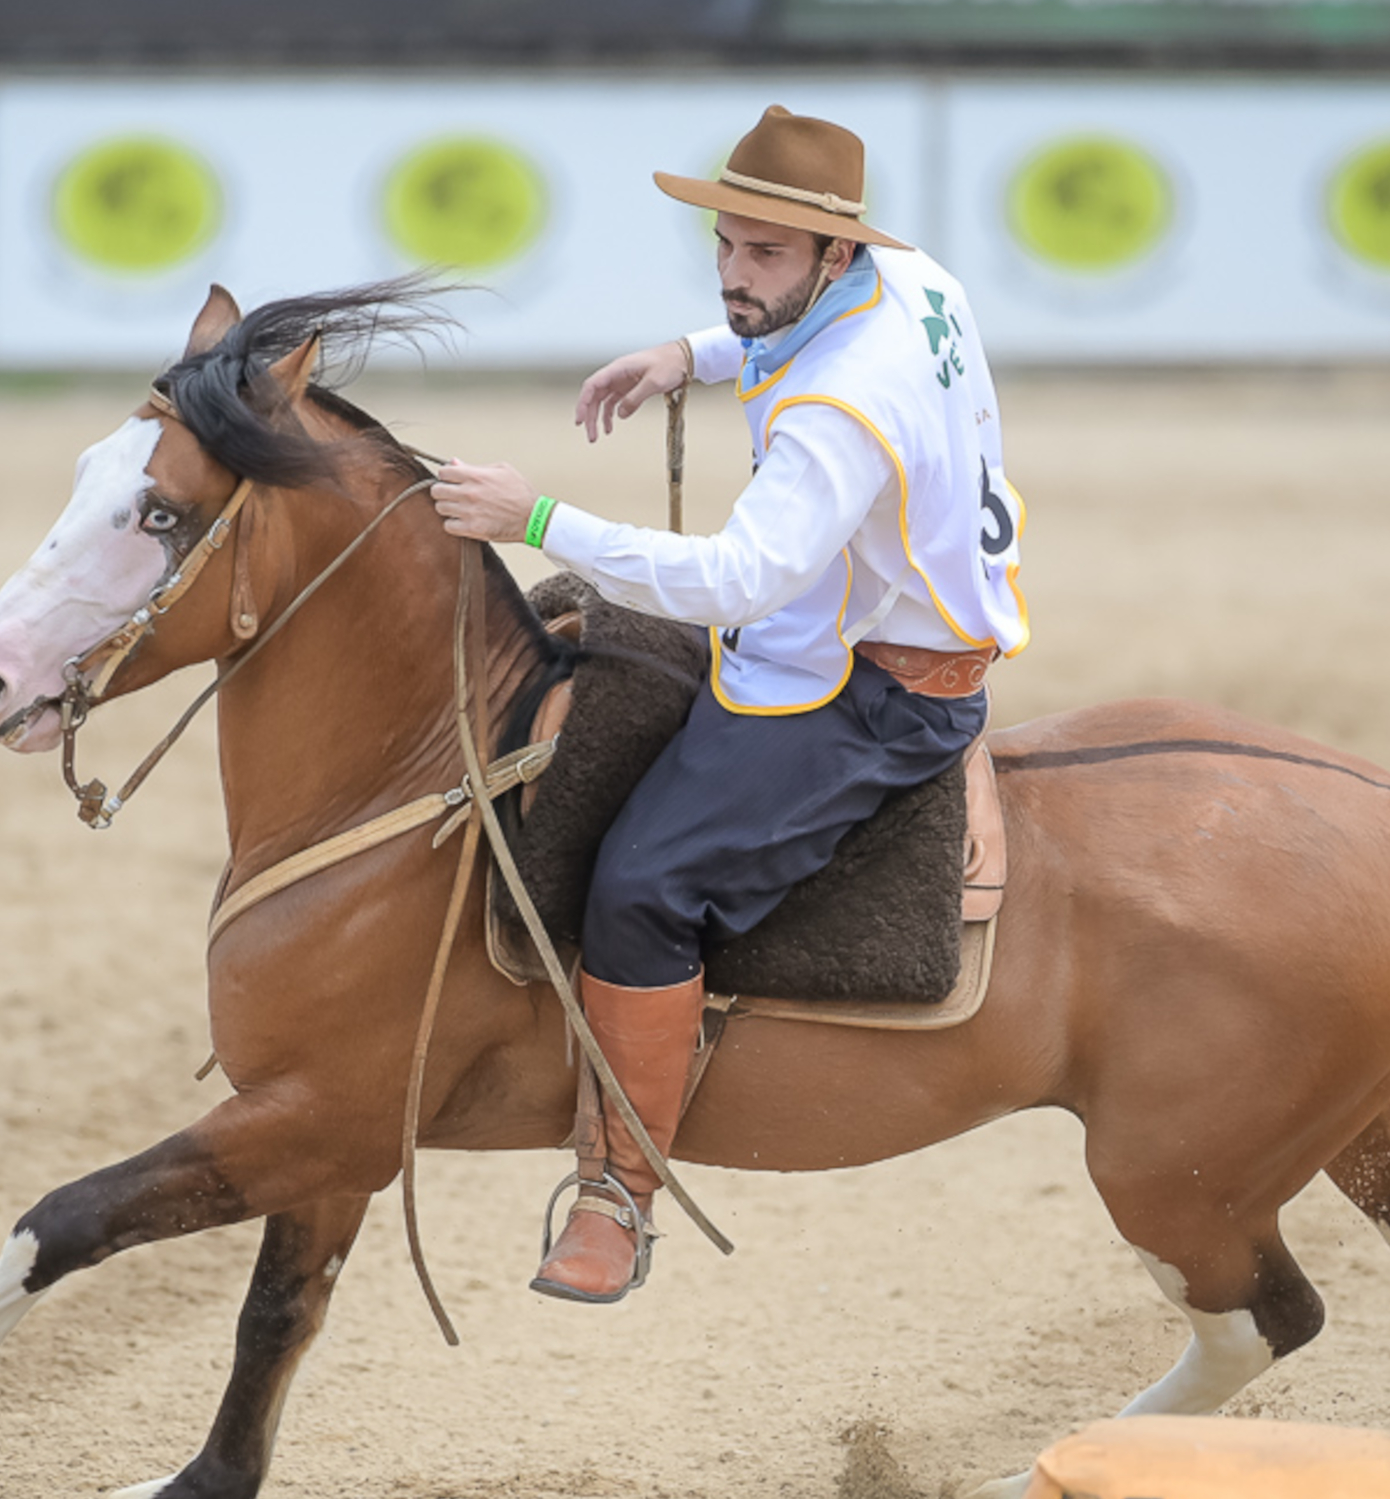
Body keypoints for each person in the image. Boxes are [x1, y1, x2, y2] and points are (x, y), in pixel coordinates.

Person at [432, 104, 1029, 1306]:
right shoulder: (915, 277)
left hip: (867, 691)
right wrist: (694, 353)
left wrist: (537, 518)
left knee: (642, 886)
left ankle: (617, 1190)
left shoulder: (835, 415)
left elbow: (741, 577)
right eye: (727, 247)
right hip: (866, 623)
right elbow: (780, 338)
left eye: (765, 258)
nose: (737, 273)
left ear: (834, 253)